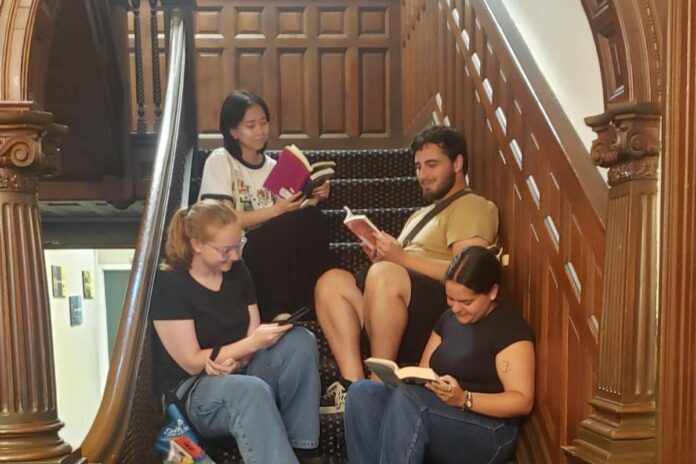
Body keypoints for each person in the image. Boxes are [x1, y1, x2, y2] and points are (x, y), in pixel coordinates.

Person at [315, 125, 499, 413]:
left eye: (432, 164)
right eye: (418, 167)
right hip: (395, 298)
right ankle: (354, 387)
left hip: (439, 312)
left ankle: (379, 386)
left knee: (385, 275)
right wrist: (382, 256)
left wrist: (399, 261)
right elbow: (399, 266)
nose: (422, 175)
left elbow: (470, 275)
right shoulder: (419, 213)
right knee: (331, 282)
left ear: (458, 163)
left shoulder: (472, 206)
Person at [150, 200, 325, 464]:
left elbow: (251, 333)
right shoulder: (170, 283)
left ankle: (302, 449)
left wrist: (240, 358)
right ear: (197, 244)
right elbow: (191, 361)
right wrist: (246, 348)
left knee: (300, 341)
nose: (234, 255)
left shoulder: (238, 271)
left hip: (241, 369)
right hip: (194, 389)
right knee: (249, 390)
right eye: (225, 249)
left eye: (238, 244)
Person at [344, 246, 535, 463]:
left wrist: (465, 399)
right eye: (450, 299)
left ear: (492, 292)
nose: (456, 308)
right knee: (362, 393)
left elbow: (522, 400)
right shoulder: (448, 319)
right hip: (441, 411)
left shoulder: (509, 329)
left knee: (410, 401)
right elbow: (424, 372)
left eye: (466, 302)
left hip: (490, 428)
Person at [198, 90, 331, 322]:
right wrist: (277, 210)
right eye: (251, 125)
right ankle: (274, 311)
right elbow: (222, 221)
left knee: (313, 217)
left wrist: (313, 198)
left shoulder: (273, 167)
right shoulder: (221, 160)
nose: (260, 131)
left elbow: (287, 217)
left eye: (264, 123)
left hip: (275, 243)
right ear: (233, 131)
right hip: (240, 245)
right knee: (272, 237)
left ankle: (319, 300)